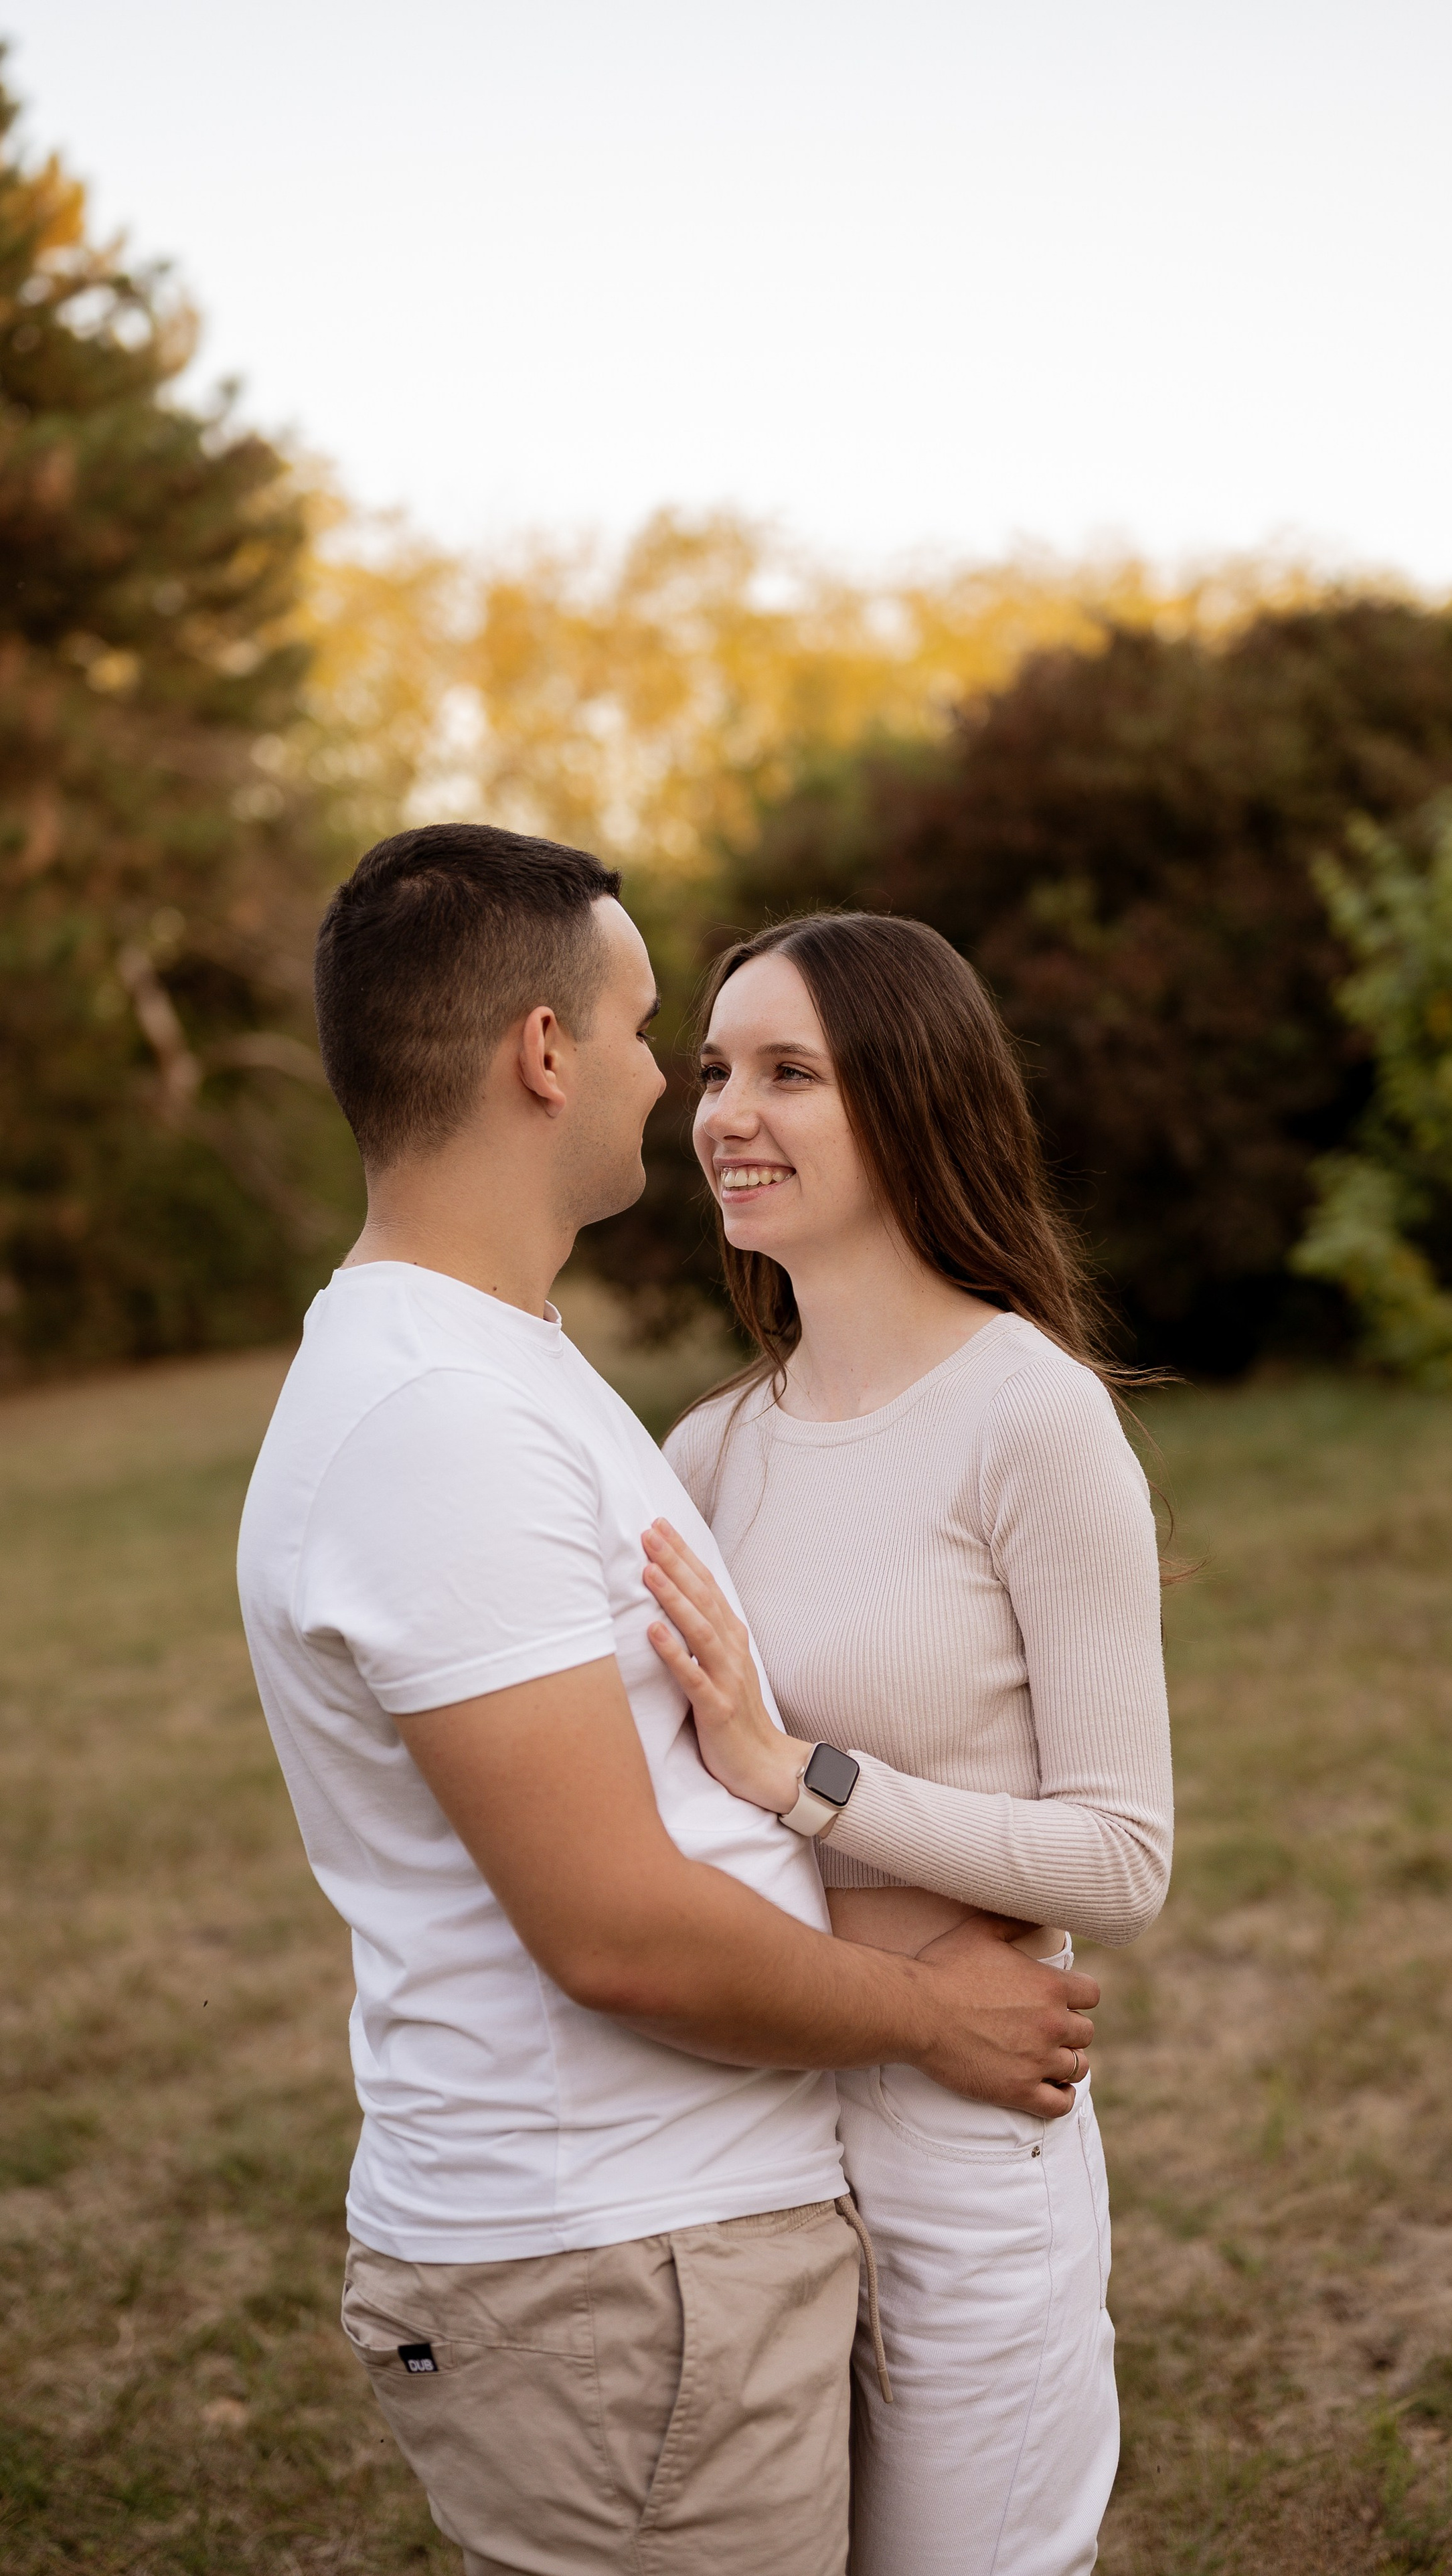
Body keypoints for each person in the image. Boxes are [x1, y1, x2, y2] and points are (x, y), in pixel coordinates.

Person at [236, 828, 1099, 2576]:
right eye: (648, 1036)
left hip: (665, 2255)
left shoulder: (498, 1365)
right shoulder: (437, 1422)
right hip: (617, 2277)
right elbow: (617, 1931)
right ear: (543, 1053)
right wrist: (930, 2018)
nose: (668, 1087)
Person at [649, 911, 1174, 2576]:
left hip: (964, 2126)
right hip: (753, 2122)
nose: (726, 1113)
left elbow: (1122, 1857)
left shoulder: (1029, 1414)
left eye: (786, 1072)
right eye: (713, 1070)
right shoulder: (707, 1449)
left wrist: (799, 1775)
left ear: (909, 1098)